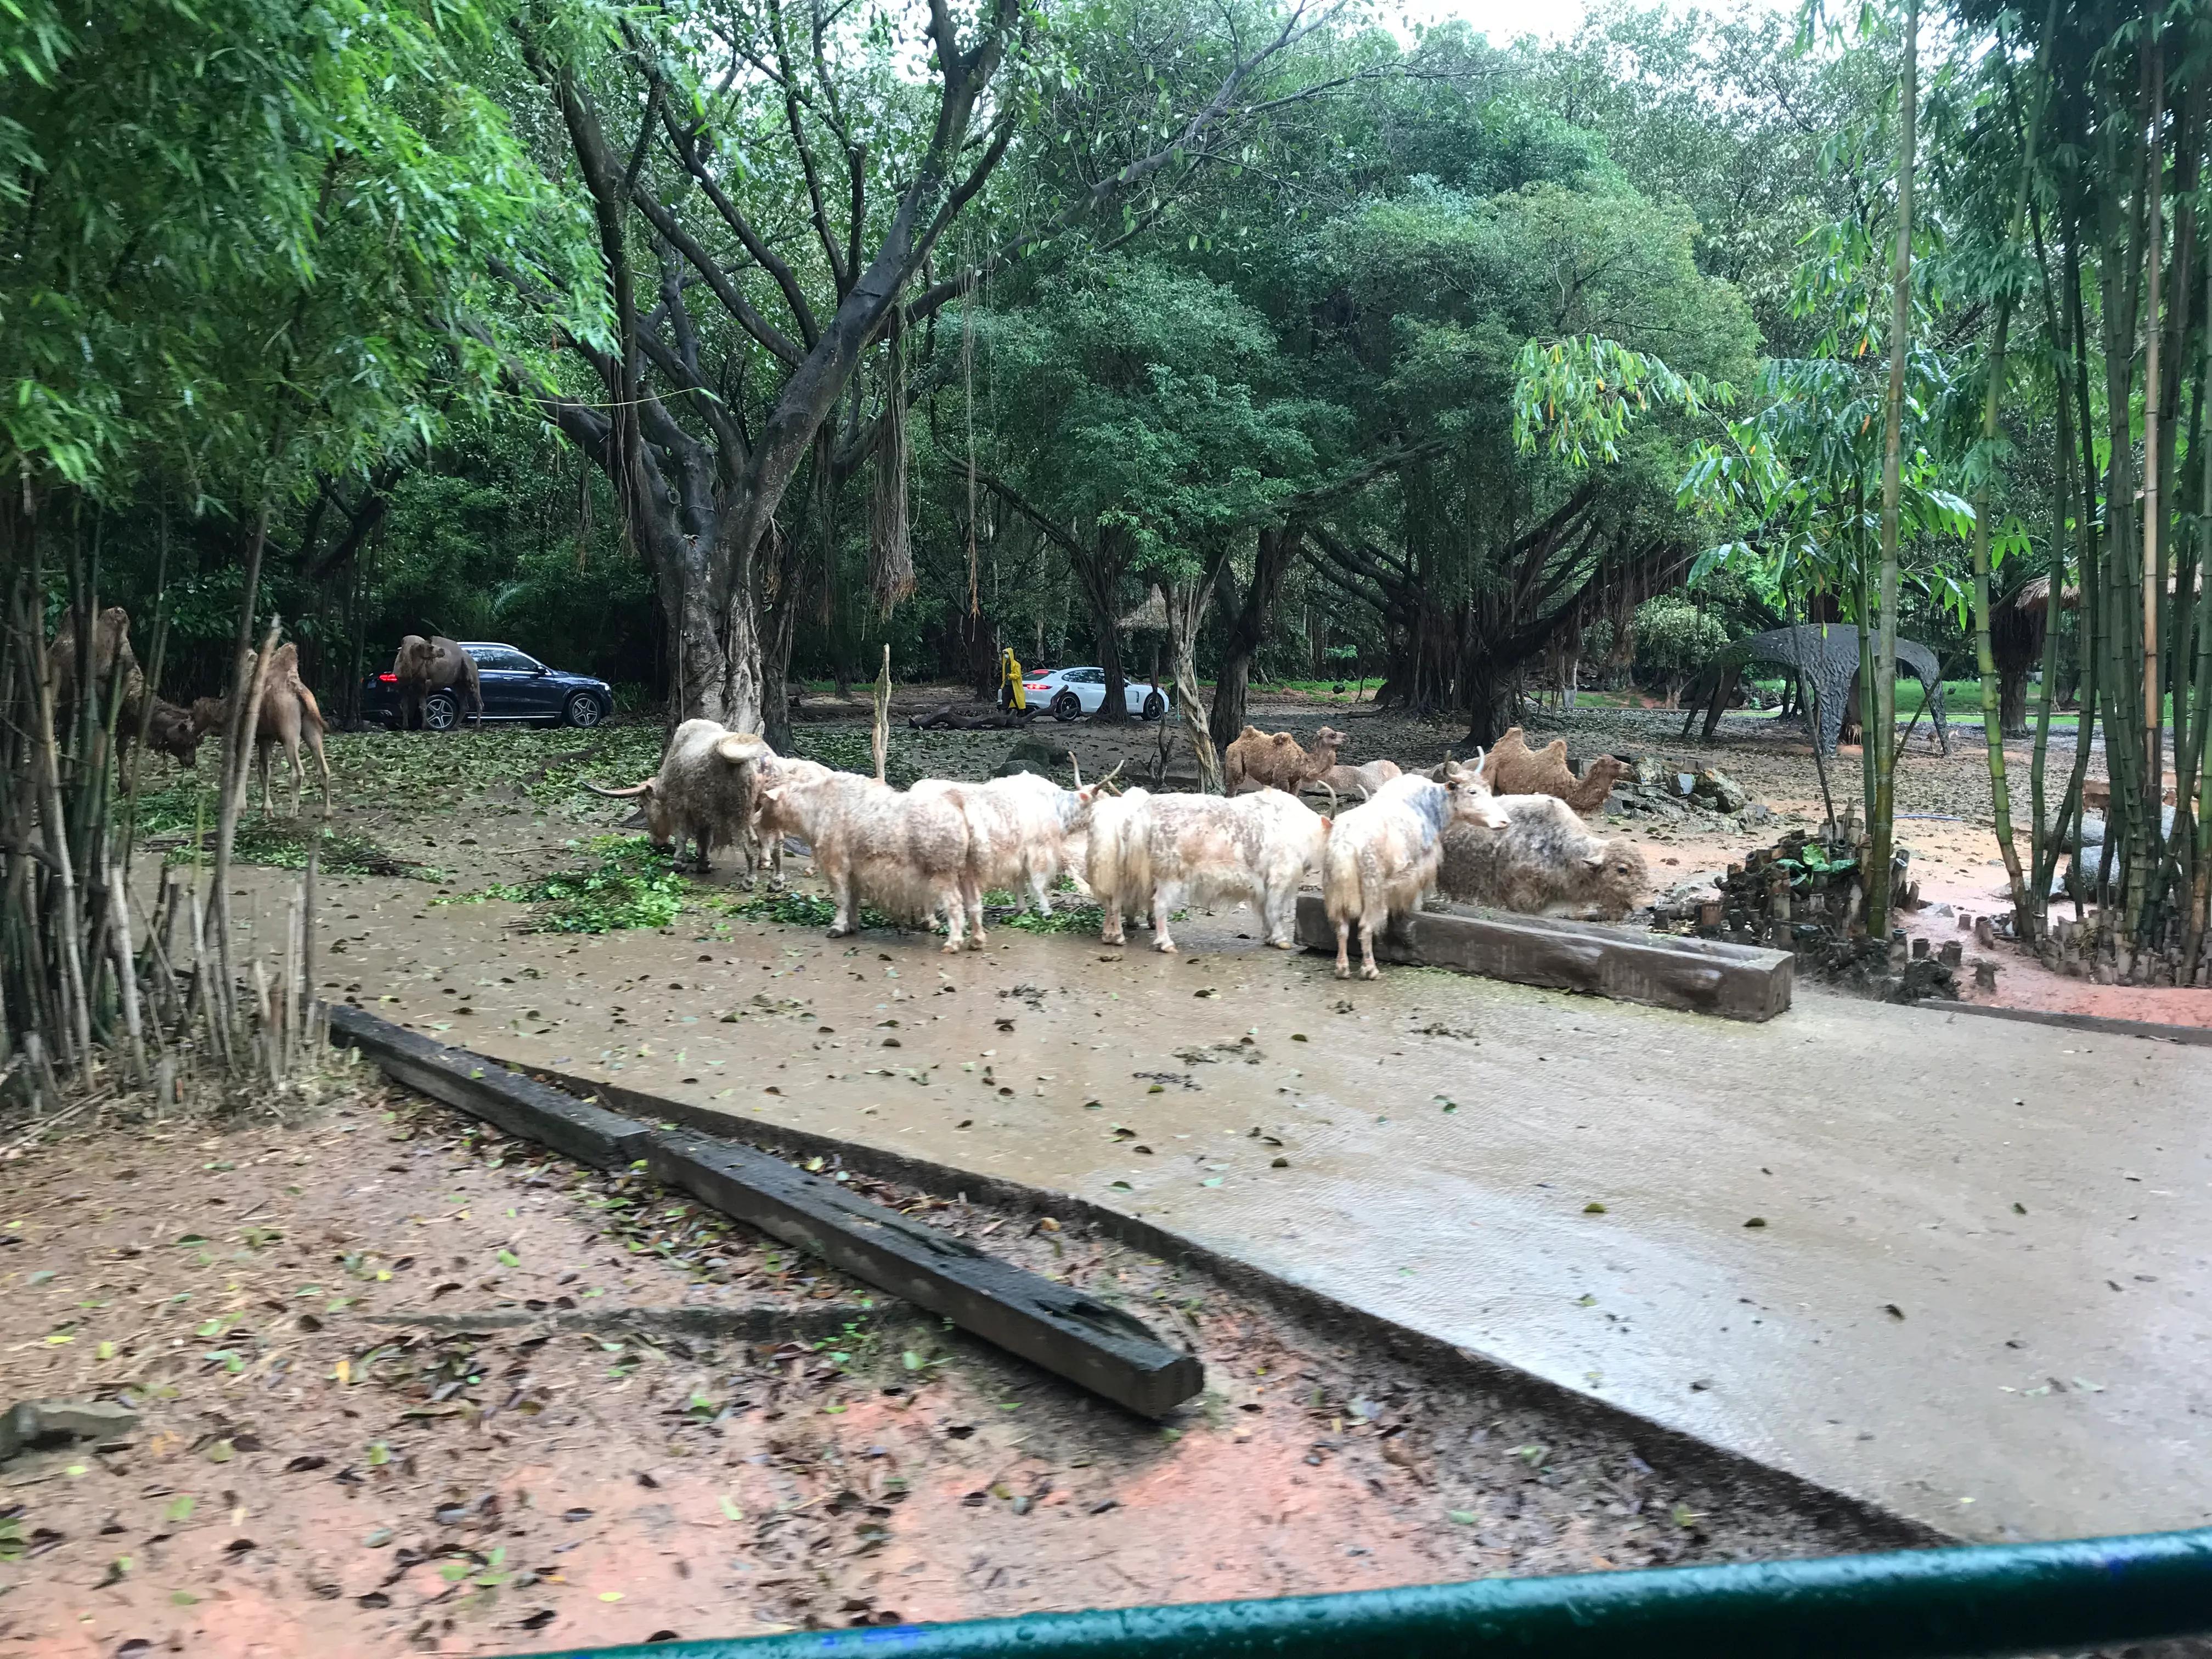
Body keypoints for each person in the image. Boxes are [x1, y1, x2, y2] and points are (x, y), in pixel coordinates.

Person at [999, 646, 1026, 712]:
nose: (1006, 655)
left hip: (1014, 687)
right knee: (1005, 701)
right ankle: (1003, 714)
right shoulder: (1005, 664)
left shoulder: (1016, 665)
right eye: (1005, 654)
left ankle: (1021, 714)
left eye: (1007, 654)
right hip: (1007, 685)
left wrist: (1010, 676)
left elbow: (1017, 675)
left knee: (1017, 701)